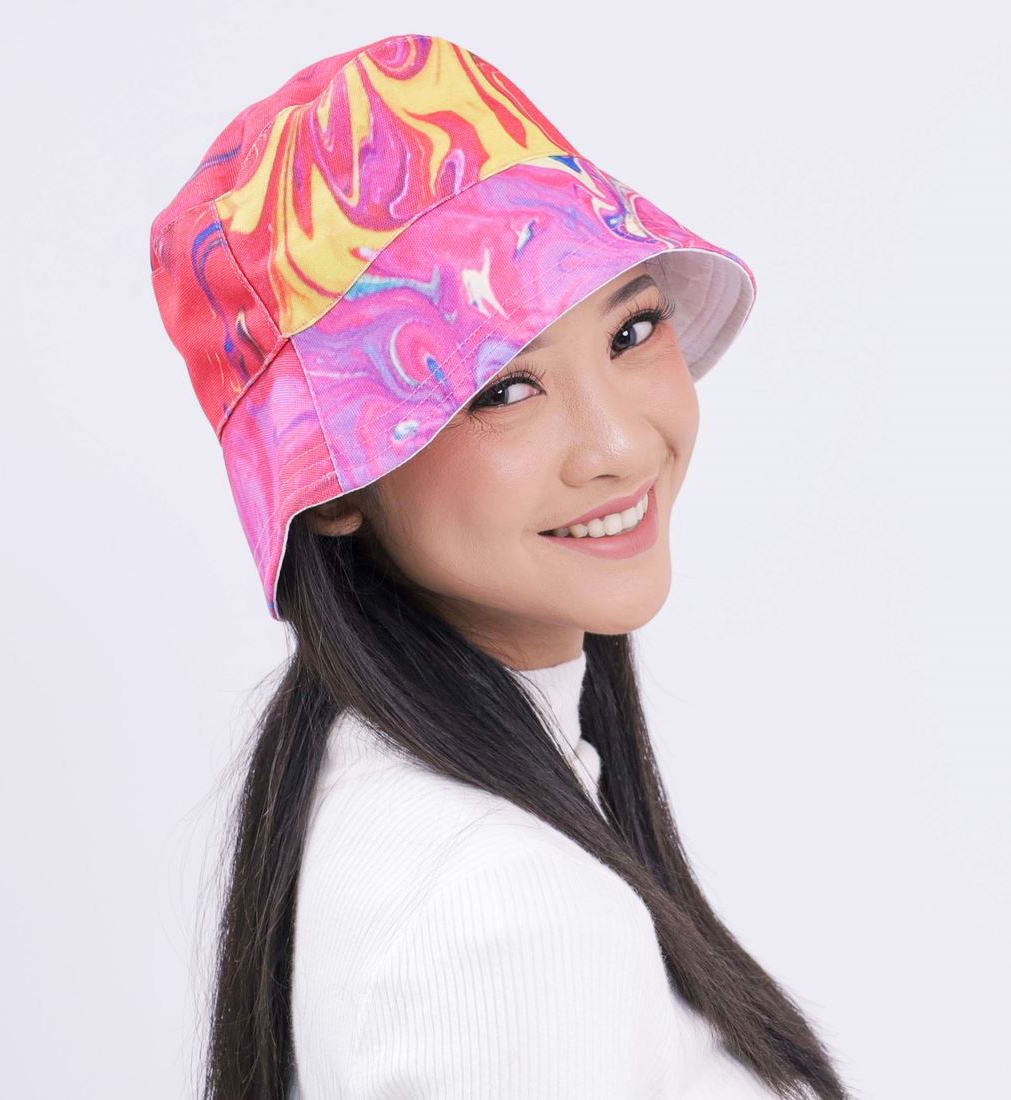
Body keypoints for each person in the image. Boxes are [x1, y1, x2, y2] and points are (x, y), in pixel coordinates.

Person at [148, 32, 853, 1100]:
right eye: (501, 388)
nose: (618, 445)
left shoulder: (401, 794)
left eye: (630, 329)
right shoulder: (503, 914)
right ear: (330, 486)